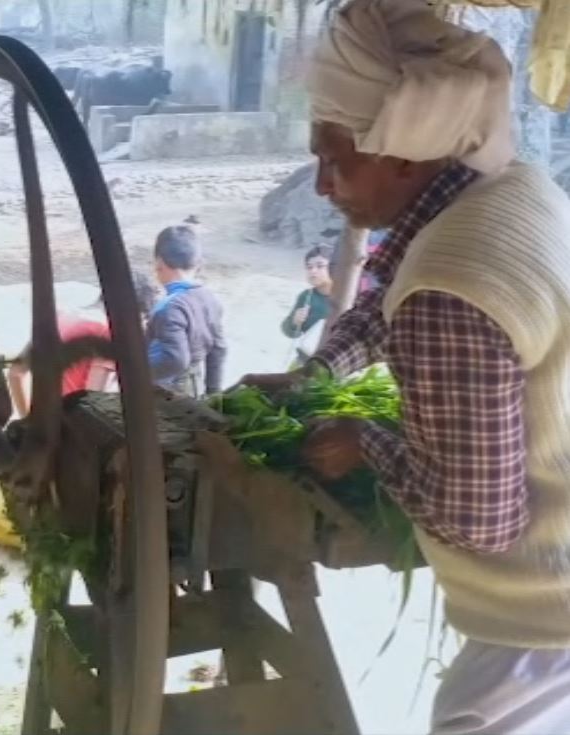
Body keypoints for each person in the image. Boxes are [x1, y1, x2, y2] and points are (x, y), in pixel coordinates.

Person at [242, 1, 570, 731]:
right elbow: (385, 296)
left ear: (402, 151)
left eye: (335, 155)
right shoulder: (511, 189)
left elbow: (476, 518)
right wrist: (315, 375)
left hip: (541, 639)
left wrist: (364, 439)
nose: (324, 183)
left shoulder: (448, 287)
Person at [7, 271, 158, 416]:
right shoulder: (106, 334)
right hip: (74, 432)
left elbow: (15, 373)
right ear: (133, 313)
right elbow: (94, 402)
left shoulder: (58, 316)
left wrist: (27, 418)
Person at [147, 225, 226, 397]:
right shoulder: (210, 299)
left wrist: (136, 373)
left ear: (159, 263)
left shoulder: (169, 307)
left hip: (166, 390)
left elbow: (176, 360)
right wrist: (214, 392)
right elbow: (218, 349)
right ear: (197, 264)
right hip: (193, 383)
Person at [281, 245, 333, 361]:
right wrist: (294, 322)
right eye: (309, 267)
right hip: (308, 357)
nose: (313, 271)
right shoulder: (306, 297)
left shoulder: (347, 297)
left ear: (334, 267)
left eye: (320, 266)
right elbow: (289, 332)